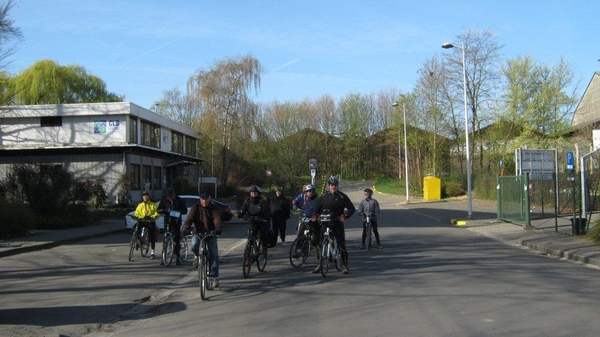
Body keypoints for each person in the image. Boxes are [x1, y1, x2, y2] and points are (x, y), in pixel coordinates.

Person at [314, 176, 355, 275]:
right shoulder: (323, 196)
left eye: (335, 185)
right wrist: (315, 216)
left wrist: (345, 216)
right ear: (329, 186)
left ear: (338, 185)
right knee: (320, 243)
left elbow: (351, 208)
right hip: (325, 222)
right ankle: (320, 264)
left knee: (341, 244)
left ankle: (345, 265)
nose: (333, 187)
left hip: (337, 223)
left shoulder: (342, 196)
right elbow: (316, 209)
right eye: (331, 185)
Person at [182, 189, 222, 289]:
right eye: (202, 198)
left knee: (214, 255)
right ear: (200, 199)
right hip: (198, 232)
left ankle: (214, 277)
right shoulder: (196, 207)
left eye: (206, 198)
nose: (204, 201)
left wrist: (217, 229)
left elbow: (217, 219)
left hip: (211, 233)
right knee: (194, 245)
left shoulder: (214, 208)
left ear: (210, 198)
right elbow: (189, 219)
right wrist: (186, 228)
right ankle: (196, 256)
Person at [157, 187, 188, 265]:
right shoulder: (164, 199)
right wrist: (162, 211)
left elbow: (185, 210)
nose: (170, 197)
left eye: (171, 195)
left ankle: (177, 257)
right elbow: (159, 209)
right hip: (167, 221)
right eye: (169, 195)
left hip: (176, 221)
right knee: (165, 238)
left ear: (174, 194)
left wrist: (178, 212)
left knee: (176, 239)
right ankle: (163, 257)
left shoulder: (179, 200)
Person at [239, 185, 271, 250]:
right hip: (253, 221)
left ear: (258, 193)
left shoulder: (262, 201)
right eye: (252, 192)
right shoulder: (247, 201)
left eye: (255, 192)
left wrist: (266, 217)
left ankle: (264, 248)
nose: (253, 194)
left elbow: (267, 212)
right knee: (251, 235)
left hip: (262, 221)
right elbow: (243, 209)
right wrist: (241, 214)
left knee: (263, 234)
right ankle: (249, 251)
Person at [293, 183, 321, 258]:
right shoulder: (307, 199)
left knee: (315, 239)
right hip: (305, 220)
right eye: (305, 192)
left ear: (311, 191)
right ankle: (297, 252)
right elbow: (304, 209)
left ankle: (318, 255)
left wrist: (316, 217)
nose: (306, 194)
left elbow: (319, 210)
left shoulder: (318, 199)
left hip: (314, 222)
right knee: (299, 235)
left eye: (307, 192)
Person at [134, 192, 159, 258]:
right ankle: (138, 240)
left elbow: (157, 213)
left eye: (147, 196)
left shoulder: (153, 205)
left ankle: (152, 251)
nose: (145, 197)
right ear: (142, 198)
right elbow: (136, 213)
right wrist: (139, 217)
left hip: (150, 221)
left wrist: (153, 216)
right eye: (144, 196)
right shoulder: (140, 205)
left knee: (151, 235)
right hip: (142, 221)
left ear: (149, 197)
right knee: (134, 228)